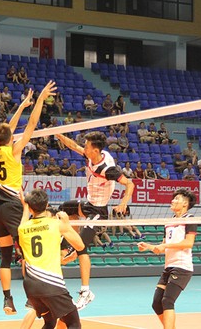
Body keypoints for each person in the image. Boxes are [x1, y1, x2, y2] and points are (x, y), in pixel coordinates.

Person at [0, 81, 56, 314]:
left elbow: (8, 127)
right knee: (27, 252)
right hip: (12, 205)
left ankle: (7, 299)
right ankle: (32, 298)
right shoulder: (15, 150)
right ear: (10, 137)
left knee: (6, 256)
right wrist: (37, 103)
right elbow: (32, 126)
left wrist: (22, 106)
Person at [56, 131, 135, 310]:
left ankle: (86, 292)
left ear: (95, 150)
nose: (84, 147)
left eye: (87, 146)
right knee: (63, 211)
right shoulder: (92, 155)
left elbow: (130, 184)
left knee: (81, 249)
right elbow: (73, 146)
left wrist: (123, 203)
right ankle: (67, 246)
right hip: (88, 204)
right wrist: (58, 135)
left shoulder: (108, 169)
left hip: (98, 211)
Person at [18, 189, 84, 329]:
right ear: (47, 204)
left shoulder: (22, 228)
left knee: (49, 322)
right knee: (73, 323)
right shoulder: (56, 224)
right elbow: (80, 245)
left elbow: (24, 218)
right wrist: (67, 224)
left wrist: (24, 205)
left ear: (30, 207)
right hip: (51, 284)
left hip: (31, 286)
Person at [137, 188, 198, 329]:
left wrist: (166, 245)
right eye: (173, 198)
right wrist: (149, 246)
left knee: (167, 301)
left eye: (177, 199)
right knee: (156, 302)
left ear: (185, 204)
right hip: (169, 266)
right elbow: (163, 247)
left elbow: (188, 243)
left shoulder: (190, 219)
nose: (173, 200)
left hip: (182, 267)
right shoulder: (168, 222)